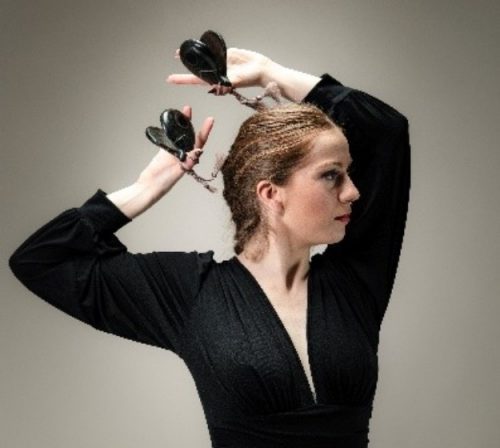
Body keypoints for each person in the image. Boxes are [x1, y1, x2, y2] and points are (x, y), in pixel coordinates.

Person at [9, 47, 410, 447]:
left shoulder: (355, 279)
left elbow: (388, 132)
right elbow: (41, 260)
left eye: (349, 174)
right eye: (332, 176)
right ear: (271, 193)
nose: (353, 192)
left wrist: (269, 72)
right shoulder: (192, 293)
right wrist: (146, 188)